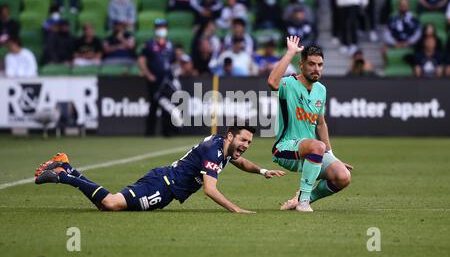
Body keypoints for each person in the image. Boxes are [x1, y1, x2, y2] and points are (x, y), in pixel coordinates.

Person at [34, 126, 286, 213]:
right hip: (162, 184)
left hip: (165, 187)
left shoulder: (224, 147)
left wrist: (263, 171)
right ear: (231, 136)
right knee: (110, 204)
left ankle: (67, 165)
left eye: (250, 143)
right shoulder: (214, 150)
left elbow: (240, 162)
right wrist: (237, 209)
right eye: (243, 140)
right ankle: (63, 175)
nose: (246, 146)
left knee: (106, 205)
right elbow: (210, 190)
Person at [267, 36, 353, 212]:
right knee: (316, 146)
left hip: (313, 150)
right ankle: (303, 202)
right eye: (311, 64)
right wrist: (290, 52)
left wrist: (331, 155)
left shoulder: (321, 90)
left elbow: (320, 124)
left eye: (320, 65)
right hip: (286, 148)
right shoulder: (289, 84)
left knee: (343, 177)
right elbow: (272, 82)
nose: (316, 69)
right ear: (301, 65)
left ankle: (301, 198)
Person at [138, 18, 179, 136]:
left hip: (168, 80)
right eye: (159, 27)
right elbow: (141, 60)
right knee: (154, 105)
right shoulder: (149, 44)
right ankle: (150, 132)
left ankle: (166, 132)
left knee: (167, 106)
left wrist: (175, 74)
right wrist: (148, 74)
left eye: (163, 27)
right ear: (155, 29)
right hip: (155, 80)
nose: (161, 30)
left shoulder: (170, 45)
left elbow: (174, 61)